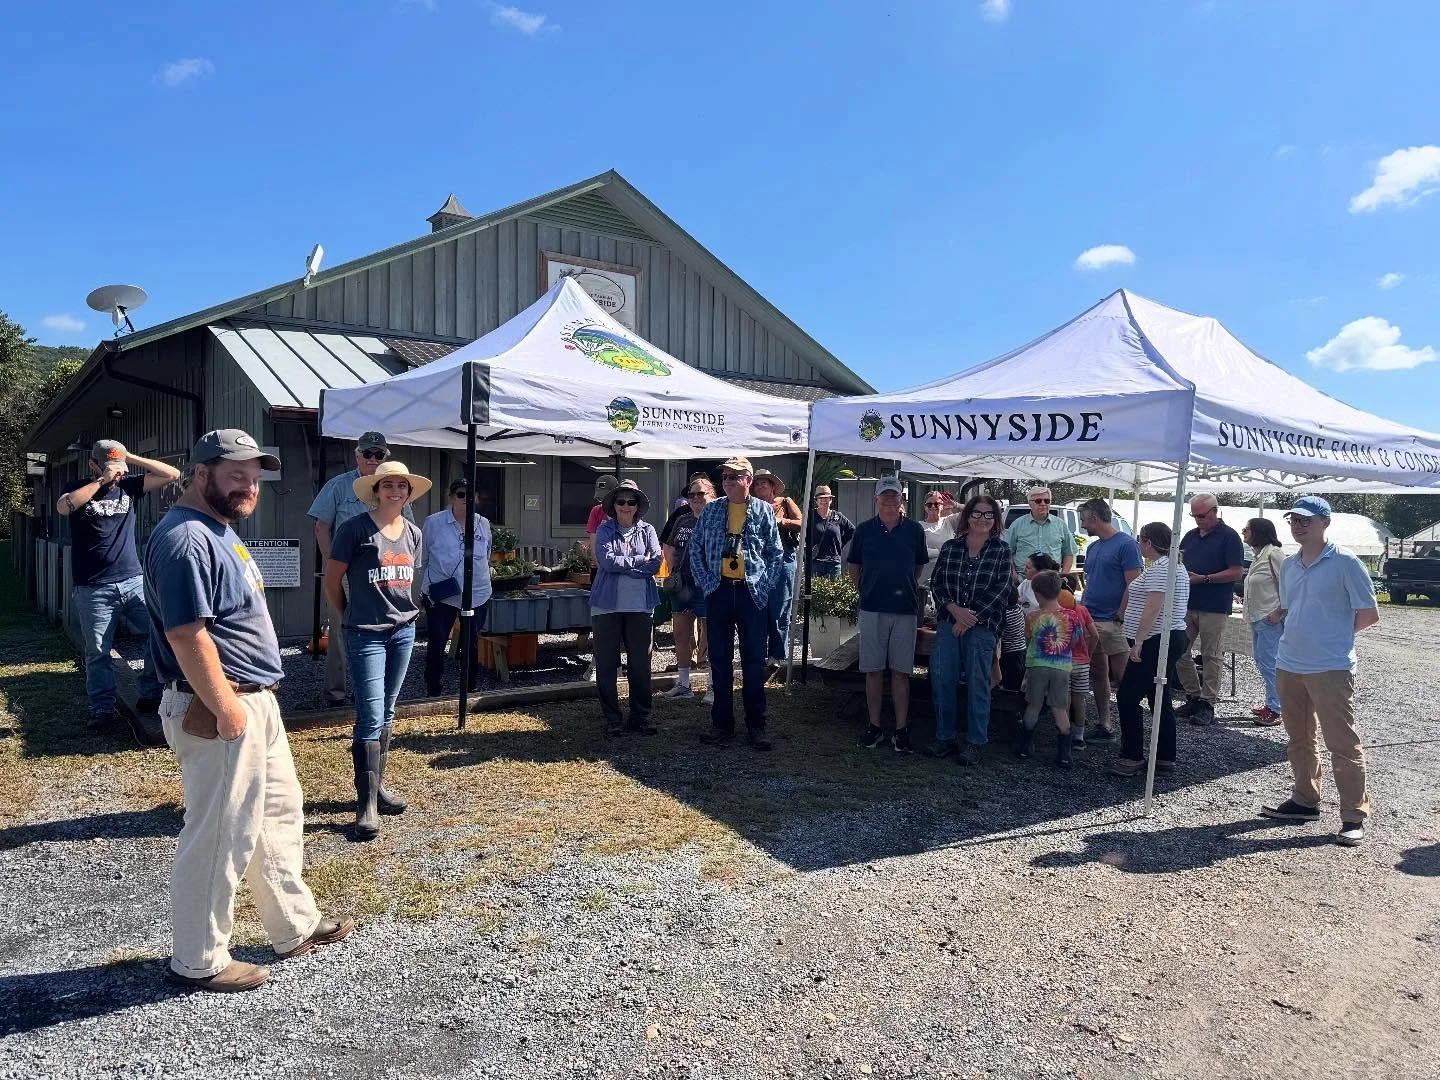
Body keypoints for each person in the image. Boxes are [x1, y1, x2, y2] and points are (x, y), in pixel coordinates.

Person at [145, 429, 353, 994]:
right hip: (218, 705)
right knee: (221, 834)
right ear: (201, 472)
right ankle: (199, 958)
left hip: (250, 700)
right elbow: (188, 635)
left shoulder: (219, 531)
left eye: (256, 476)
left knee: (279, 814)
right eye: (237, 474)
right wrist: (227, 709)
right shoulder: (186, 539)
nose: (249, 485)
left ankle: (293, 924)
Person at [1260, 497, 1379, 847]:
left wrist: (1333, 637)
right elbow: (1288, 606)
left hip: (1330, 666)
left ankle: (1354, 815)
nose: (1298, 526)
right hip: (1290, 662)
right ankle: (1304, 799)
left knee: (1342, 742)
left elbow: (1369, 614)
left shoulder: (1345, 562)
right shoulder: (1291, 564)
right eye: (1294, 520)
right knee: (1299, 738)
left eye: (1306, 520)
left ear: (1325, 522)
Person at [325, 461, 429, 840]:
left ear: (408, 492)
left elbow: (408, 581)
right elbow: (333, 580)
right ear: (376, 490)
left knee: (388, 709)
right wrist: (348, 616)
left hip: (403, 630)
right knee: (370, 713)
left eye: (402, 485)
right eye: (388, 485)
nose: (396, 491)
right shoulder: (353, 529)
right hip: (365, 633)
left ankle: (378, 787)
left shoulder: (414, 533)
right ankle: (365, 804)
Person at [57, 439, 180, 742]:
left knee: (160, 631)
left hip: (132, 579)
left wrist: (128, 458)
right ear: (93, 465)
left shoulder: (130, 484)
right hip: (93, 587)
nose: (117, 475)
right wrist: (101, 479)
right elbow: (64, 506)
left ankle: (150, 692)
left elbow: (172, 474)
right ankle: (102, 710)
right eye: (110, 467)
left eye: (119, 470)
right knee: (97, 651)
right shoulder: (79, 486)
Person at [308, 432, 413, 708]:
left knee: (383, 629)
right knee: (343, 629)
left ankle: (370, 692)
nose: (373, 459)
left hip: (385, 574)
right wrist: (334, 563)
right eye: (368, 453)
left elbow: (408, 528)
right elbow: (321, 526)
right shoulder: (339, 485)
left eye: (379, 454)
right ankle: (336, 694)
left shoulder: (394, 488)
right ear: (357, 455)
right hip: (347, 572)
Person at [689, 456, 784, 750]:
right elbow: (696, 549)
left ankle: (757, 726)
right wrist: (708, 583)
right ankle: (722, 725)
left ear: (749, 481)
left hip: (751, 594)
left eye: (735, 475)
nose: (728, 480)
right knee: (719, 660)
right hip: (719, 591)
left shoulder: (764, 511)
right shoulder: (712, 510)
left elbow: (775, 553)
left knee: (754, 662)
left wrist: (763, 586)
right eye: (726, 476)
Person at [928, 493, 1012, 763]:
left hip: (983, 626)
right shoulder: (951, 548)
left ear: (995, 519)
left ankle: (976, 742)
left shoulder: (1001, 551)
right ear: (968, 516)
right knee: (942, 680)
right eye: (977, 513)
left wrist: (968, 619)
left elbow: (1001, 590)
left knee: (978, 683)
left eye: (989, 514)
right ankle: (945, 738)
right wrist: (954, 610)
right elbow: (937, 584)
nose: (982, 519)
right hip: (949, 623)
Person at [849, 477, 929, 754]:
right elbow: (854, 567)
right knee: (872, 670)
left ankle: (901, 728)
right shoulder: (863, 530)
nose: (890, 501)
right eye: (885, 496)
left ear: (901, 500)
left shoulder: (915, 530)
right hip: (872, 607)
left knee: (901, 672)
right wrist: (868, 589)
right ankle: (874, 726)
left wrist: (901, 585)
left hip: (905, 609)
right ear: (877, 500)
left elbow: (918, 567)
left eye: (895, 496)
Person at [1107, 523, 1191, 778]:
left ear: (1148, 542)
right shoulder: (1174, 566)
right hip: (1168, 636)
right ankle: (1165, 755)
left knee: (1128, 695)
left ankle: (1132, 755)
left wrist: (1140, 641)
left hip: (1156, 638)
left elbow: (1154, 607)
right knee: (1159, 694)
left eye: (1141, 540)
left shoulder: (1162, 569)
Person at [590, 480, 662, 736]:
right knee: (607, 664)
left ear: (638, 506)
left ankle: (641, 716)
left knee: (641, 664)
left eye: (631, 502)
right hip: (606, 607)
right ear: (613, 505)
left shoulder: (649, 530)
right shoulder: (604, 529)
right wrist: (637, 561)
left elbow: (655, 563)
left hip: (640, 605)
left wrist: (628, 563)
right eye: (620, 501)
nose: (625, 506)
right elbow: (606, 561)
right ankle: (613, 718)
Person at [1175, 493, 1246, 727]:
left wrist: (1204, 579)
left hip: (1214, 605)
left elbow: (1236, 572)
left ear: (1216, 511)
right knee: (1179, 651)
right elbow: (1179, 562)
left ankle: (1207, 703)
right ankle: (1194, 695)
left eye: (1202, 515)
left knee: (1211, 654)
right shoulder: (1190, 536)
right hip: (1187, 602)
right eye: (1194, 515)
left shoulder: (1230, 537)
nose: (1198, 520)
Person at [420, 478, 493, 697]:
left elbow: (487, 555)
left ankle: (469, 688)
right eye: (461, 494)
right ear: (451, 497)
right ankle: (433, 689)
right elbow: (423, 558)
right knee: (437, 643)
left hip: (477, 593)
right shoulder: (434, 523)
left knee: (471, 644)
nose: (466, 500)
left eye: (472, 495)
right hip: (443, 594)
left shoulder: (484, 524)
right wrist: (424, 590)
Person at [1078, 498, 1144, 741]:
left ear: (1095, 518)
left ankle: (1131, 729)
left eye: (1084, 520)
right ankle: (1105, 723)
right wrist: (1082, 611)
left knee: (1123, 676)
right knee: (1097, 672)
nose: (1083, 525)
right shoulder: (1093, 547)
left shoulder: (1126, 545)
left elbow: (1134, 584)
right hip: (1091, 617)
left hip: (1113, 621)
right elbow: (1089, 582)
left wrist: (1120, 615)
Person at [1018, 570, 1086, 767]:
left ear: (1037, 594)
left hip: (1037, 666)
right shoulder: (1072, 616)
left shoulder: (1032, 616)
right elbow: (1076, 640)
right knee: (1059, 708)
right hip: (1062, 667)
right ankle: (1065, 754)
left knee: (1033, 706)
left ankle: (1025, 746)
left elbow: (1028, 638)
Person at [660, 476, 714, 702]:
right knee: (681, 635)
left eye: (700, 494)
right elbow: (670, 548)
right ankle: (684, 684)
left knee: (712, 637)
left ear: (712, 495)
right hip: (683, 586)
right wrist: (673, 573)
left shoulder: (717, 520)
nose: (695, 498)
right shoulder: (682, 520)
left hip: (707, 586)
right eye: (691, 495)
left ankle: (713, 686)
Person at [752, 468, 803, 673]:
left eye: (764, 482)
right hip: (759, 562)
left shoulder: (785, 502)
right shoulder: (752, 507)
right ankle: (759, 654)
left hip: (783, 561)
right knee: (758, 608)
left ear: (772, 486)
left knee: (780, 608)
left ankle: (777, 655)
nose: (760, 486)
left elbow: (802, 522)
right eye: (757, 483)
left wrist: (782, 521)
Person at [1242, 517, 1286, 726]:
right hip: (1258, 616)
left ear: (1258, 532)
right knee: (1263, 661)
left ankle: (1277, 708)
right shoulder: (1259, 555)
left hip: (1269, 618)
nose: (1244, 531)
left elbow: (1289, 586)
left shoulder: (1274, 554)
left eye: (1248, 529)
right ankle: (1272, 703)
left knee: (1270, 663)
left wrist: (1279, 612)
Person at [1004, 486, 1076, 576]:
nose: (1043, 504)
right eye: (1038, 501)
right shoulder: (1017, 525)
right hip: (1022, 580)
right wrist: (1013, 575)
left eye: (1046, 501)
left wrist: (1063, 576)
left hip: (1051, 582)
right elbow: (1006, 552)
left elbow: (1069, 553)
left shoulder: (1060, 525)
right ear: (1030, 503)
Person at [1063, 573, 1097, 749]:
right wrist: (1088, 654)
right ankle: (1079, 736)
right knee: (1080, 700)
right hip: (1082, 662)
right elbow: (1094, 635)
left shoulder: (1057, 611)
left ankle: (1064, 734)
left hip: (1063, 661)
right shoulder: (1082, 610)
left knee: (1066, 699)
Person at [806, 484, 855, 580]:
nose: (824, 501)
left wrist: (840, 543)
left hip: (834, 562)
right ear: (816, 501)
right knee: (815, 593)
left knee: (834, 593)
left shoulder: (838, 516)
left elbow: (852, 530)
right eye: (821, 498)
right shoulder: (810, 516)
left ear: (831, 500)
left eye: (827, 498)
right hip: (815, 561)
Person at [918, 491, 962, 588]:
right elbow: (919, 551)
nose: (933, 506)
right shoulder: (919, 526)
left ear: (942, 506)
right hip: (926, 576)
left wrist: (956, 505)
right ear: (925, 507)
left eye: (937, 504)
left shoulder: (949, 521)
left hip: (949, 573)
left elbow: (973, 510)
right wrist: (941, 551)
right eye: (929, 504)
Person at [586, 474, 620, 559]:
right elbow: (594, 544)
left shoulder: (626, 510)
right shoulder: (596, 511)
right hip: (603, 562)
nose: (604, 501)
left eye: (606, 497)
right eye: (600, 498)